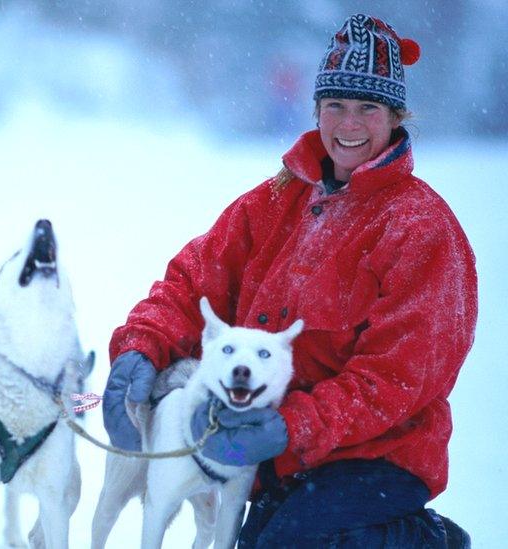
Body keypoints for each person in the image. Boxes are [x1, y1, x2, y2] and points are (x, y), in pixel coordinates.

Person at [102, 13, 477, 548]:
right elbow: (192, 283)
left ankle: (422, 538)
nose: (349, 124)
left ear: (395, 116)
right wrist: (141, 349)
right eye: (335, 106)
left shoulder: (421, 227)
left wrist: (293, 425)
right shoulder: (277, 199)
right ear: (317, 111)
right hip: (270, 457)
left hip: (375, 459)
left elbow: (396, 378)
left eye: (367, 107)